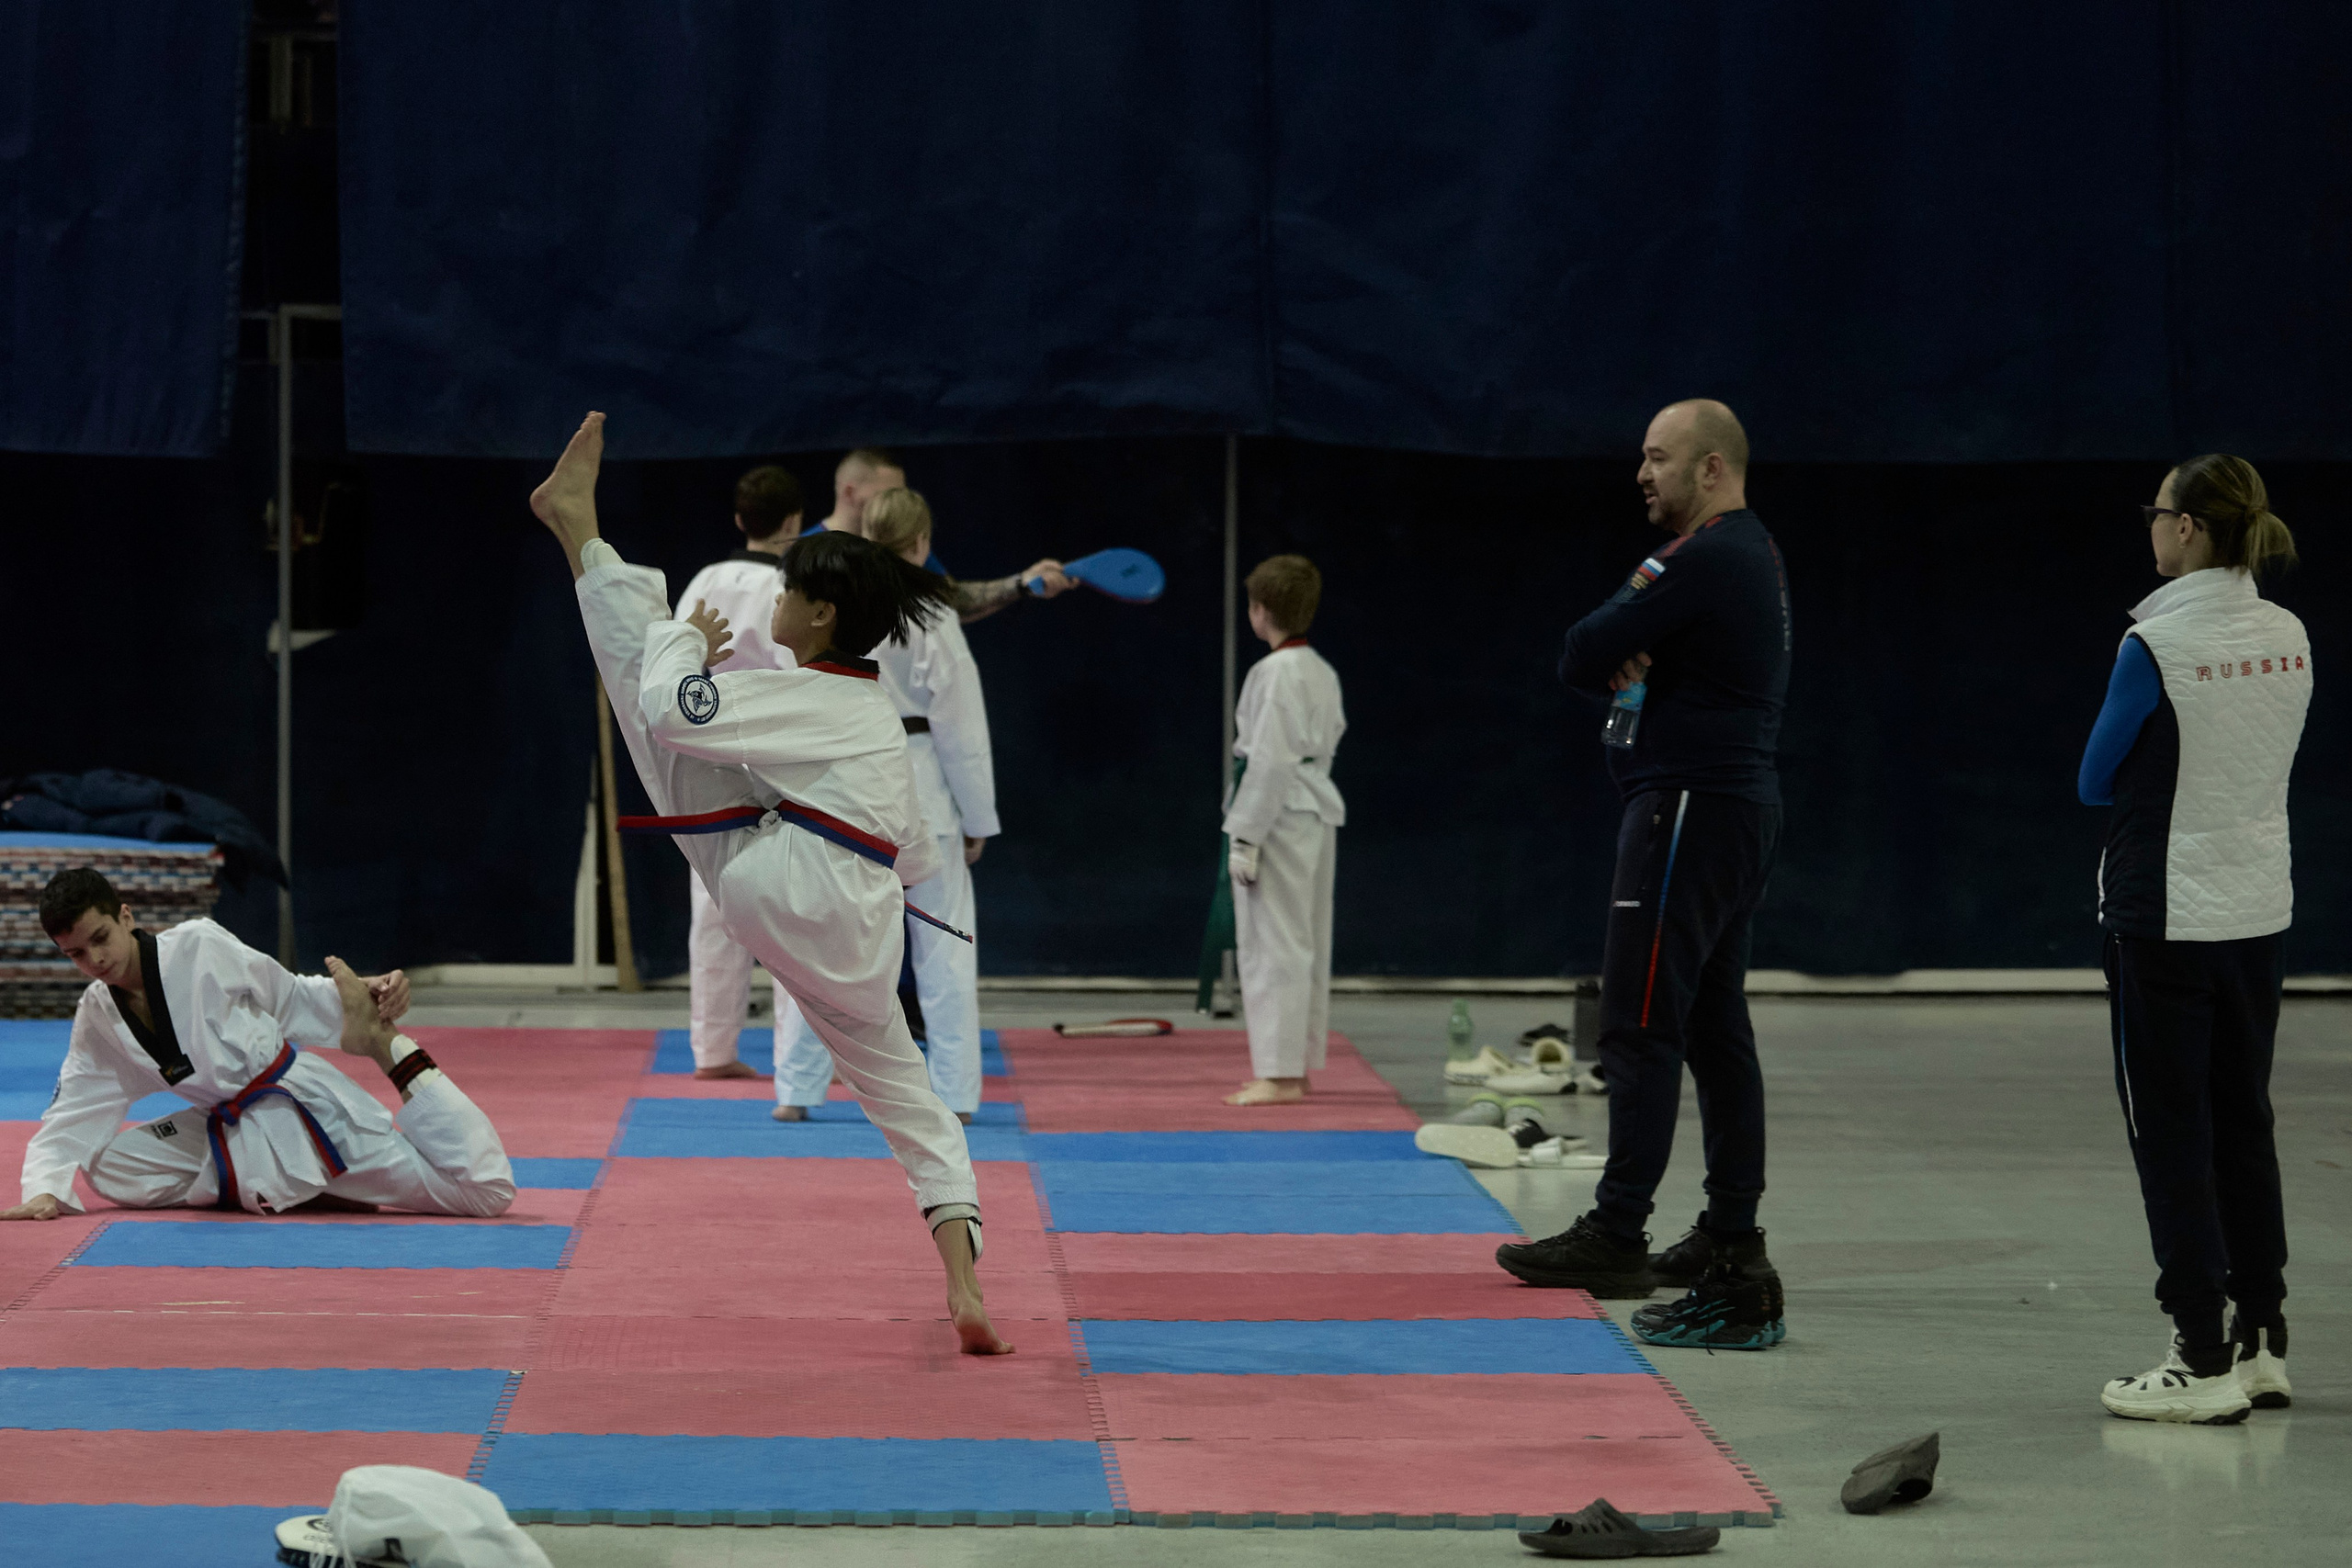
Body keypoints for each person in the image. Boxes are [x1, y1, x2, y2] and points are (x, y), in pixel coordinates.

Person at [529, 411, 1012, 1356]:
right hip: (857, 937)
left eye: (785, 597)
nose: (770, 611)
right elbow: (910, 844)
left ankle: (582, 533)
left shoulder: (808, 694)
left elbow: (670, 710)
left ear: (823, 616)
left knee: (661, 735)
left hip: (778, 884)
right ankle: (963, 1280)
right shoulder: (865, 711)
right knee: (915, 1112)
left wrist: (686, 641)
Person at [1494, 399, 1793, 1355]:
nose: (1640, 473)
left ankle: (1618, 1231)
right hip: (1730, 805)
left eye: (1658, 458)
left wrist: (1630, 635)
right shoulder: (1752, 556)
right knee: (1713, 1026)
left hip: (1688, 808)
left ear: (1711, 469)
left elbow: (1582, 649)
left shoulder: (1705, 556)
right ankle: (1728, 1234)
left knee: (1640, 1023)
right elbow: (1598, 650)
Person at [2081, 456, 2310, 1425]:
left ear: (2185, 530)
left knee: (2170, 1134)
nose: (2152, 525)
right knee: (2241, 1121)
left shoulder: (2154, 643)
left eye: (2157, 511)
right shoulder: (2288, 633)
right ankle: (2260, 1339)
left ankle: (2198, 1355)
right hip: (2255, 912)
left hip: (2163, 918)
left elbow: (2094, 777)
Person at [5, 869, 514, 1221]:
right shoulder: (98, 1014)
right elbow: (75, 1105)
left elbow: (287, 996)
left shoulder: (198, 945)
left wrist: (363, 996)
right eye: (75, 954)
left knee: (481, 1193)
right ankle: (284, 1188)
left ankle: (391, 1052)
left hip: (306, 1112)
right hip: (227, 1126)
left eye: (100, 938)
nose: (94, 959)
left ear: (126, 916)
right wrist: (45, 1188)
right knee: (107, 1168)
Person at [775, 488, 997, 1124]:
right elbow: (963, 727)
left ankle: (796, 1087)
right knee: (943, 937)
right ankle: (954, 1092)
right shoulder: (934, 615)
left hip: (842, 771)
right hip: (920, 774)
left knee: (820, 933)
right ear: (922, 541)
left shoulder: (836, 605)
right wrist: (977, 818)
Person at [675, 465, 806, 1081]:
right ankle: (796, 1060)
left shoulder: (701, 580)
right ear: (794, 523)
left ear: (737, 519)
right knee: (786, 907)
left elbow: (676, 662)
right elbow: (799, 674)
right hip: (772, 756)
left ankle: (712, 1050)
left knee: (712, 902)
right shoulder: (789, 586)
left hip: (702, 750)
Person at [1220, 555, 1346, 1107]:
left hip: (1280, 811)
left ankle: (1280, 1073)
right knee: (1304, 940)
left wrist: (1245, 834)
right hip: (1312, 806)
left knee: (1274, 944)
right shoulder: (1319, 668)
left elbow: (1269, 760)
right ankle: (1292, 1067)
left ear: (1259, 610)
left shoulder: (1273, 673)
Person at [823, 446, 1072, 623]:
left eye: (901, 494)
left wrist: (1022, 583)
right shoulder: (805, 556)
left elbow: (952, 600)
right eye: (887, 494)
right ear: (849, 492)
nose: (897, 504)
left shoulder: (906, 551)